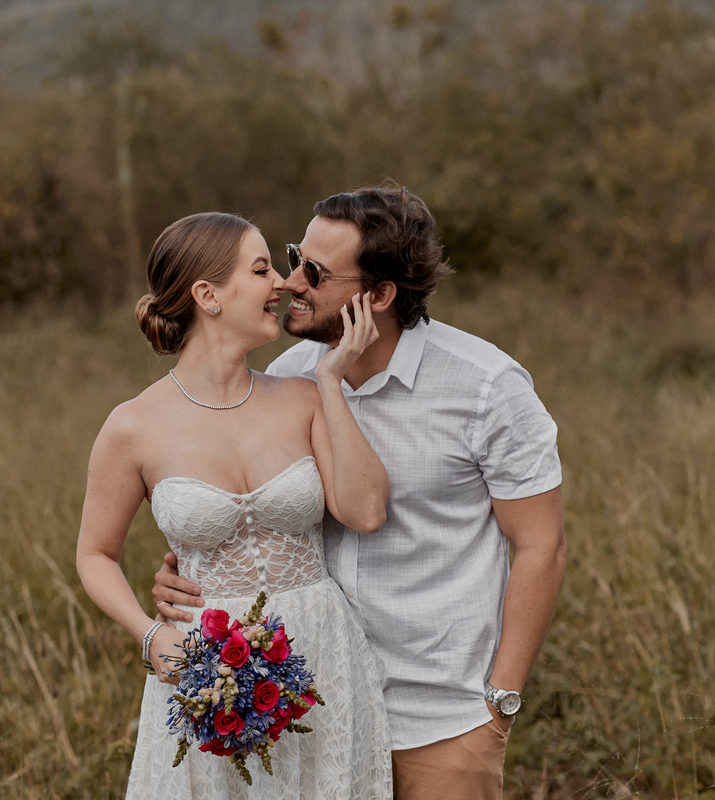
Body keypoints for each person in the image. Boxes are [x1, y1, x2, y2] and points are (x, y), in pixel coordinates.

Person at [154, 186, 568, 800]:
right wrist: (187, 573)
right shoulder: (287, 379)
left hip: (440, 719)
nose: (292, 282)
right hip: (313, 712)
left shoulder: (488, 388)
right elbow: (248, 513)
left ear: (377, 296)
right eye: (294, 257)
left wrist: (498, 702)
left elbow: (542, 546)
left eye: (315, 272)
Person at [76, 212, 393, 799]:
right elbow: (95, 554)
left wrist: (331, 382)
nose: (283, 283)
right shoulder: (133, 427)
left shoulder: (303, 397)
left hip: (319, 656)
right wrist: (150, 636)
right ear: (207, 296)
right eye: (261, 268)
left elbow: (366, 510)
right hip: (204, 667)